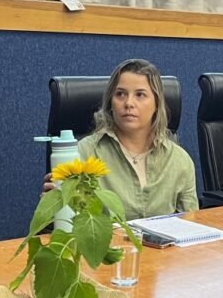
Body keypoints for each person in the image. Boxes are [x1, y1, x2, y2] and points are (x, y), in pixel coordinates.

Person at [76, 58, 198, 219]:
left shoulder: (180, 161)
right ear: (111, 102)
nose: (129, 103)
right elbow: (73, 221)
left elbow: (191, 224)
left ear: (156, 104)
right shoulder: (84, 153)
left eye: (140, 95)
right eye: (120, 94)